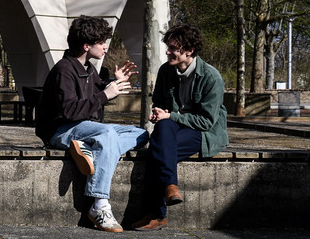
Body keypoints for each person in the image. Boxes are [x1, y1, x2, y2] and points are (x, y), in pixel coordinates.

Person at [35, 15, 147, 233]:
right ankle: (99, 204)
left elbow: (94, 95)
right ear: (87, 46)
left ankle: (94, 152)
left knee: (141, 133)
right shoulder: (64, 71)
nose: (106, 47)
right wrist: (106, 94)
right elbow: (69, 111)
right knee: (107, 135)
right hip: (61, 130)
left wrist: (112, 83)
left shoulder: (88, 68)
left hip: (85, 128)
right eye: (102, 42)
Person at [131, 24, 228, 231]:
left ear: (189, 50)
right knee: (163, 133)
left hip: (203, 133)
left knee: (157, 150)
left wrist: (170, 116)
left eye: (174, 48)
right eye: (168, 47)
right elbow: (159, 102)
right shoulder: (166, 71)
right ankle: (170, 188)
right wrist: (158, 113)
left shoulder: (211, 77)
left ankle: (156, 214)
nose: (168, 52)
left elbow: (206, 122)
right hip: (172, 128)